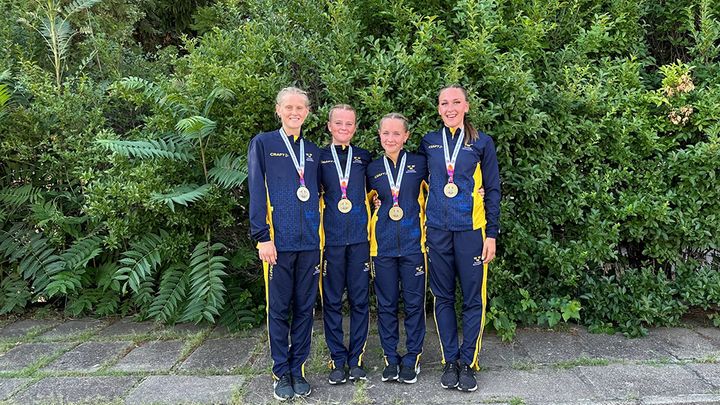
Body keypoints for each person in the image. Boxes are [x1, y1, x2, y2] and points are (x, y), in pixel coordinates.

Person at [419, 85, 501, 392]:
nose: (450, 108)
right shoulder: (429, 142)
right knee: (442, 297)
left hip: (472, 233)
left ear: (466, 106)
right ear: (438, 108)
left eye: (456, 102)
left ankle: (469, 361)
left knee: (472, 298)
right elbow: (415, 180)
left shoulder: (482, 143)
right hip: (437, 231)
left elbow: (492, 189)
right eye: (444, 103)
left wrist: (491, 234)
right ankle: (449, 360)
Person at [247, 87, 321, 401]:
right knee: (278, 310)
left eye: (300, 108)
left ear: (307, 112)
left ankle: (298, 369)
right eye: (288, 107)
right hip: (277, 244)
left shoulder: (314, 150)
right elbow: (254, 190)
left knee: (305, 309)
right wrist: (262, 236)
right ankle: (280, 372)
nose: (294, 112)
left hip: (309, 244)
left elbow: (328, 192)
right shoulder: (263, 144)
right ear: (278, 110)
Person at [366, 113, 428, 384]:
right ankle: (391, 357)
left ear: (406, 137)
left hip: (415, 246)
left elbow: (444, 190)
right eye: (385, 133)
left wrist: (479, 192)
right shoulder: (370, 169)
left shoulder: (420, 164)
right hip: (383, 249)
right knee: (387, 305)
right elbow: (357, 203)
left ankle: (412, 356)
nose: (390, 139)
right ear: (379, 136)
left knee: (414, 305)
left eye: (396, 134)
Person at [318, 104, 372, 384]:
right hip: (332, 242)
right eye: (338, 123)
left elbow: (384, 188)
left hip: (361, 241)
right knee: (333, 302)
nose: (343, 128)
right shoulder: (318, 157)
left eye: (349, 124)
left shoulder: (364, 157)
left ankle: (357, 358)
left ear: (355, 127)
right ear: (329, 126)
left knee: (360, 300)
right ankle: (337, 359)